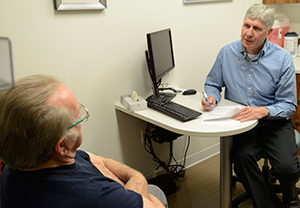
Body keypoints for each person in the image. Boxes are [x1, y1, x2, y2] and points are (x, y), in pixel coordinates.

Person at [0, 74, 167, 208]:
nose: (81, 116)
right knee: (157, 194)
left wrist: (132, 181)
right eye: (79, 117)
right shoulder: (96, 196)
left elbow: (100, 160)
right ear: (62, 145)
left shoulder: (18, 165)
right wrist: (138, 179)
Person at [202, 4, 300, 208]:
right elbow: (212, 83)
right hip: (243, 123)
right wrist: (211, 97)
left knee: (287, 168)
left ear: (269, 32)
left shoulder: (282, 59)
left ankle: (291, 195)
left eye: (256, 28)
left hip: (274, 122)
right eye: (246, 25)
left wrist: (264, 111)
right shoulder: (226, 53)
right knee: (240, 158)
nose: (248, 33)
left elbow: (289, 104)